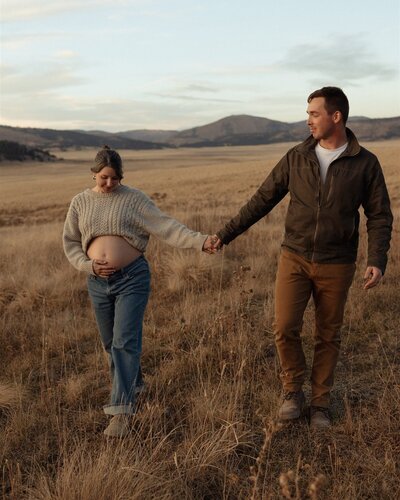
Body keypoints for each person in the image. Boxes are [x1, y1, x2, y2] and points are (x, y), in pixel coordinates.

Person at [210, 87, 393, 429]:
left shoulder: (365, 163)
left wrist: (377, 259)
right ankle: (293, 391)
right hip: (294, 256)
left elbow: (380, 214)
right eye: (308, 113)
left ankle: (321, 403)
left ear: (335, 116)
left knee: (328, 334)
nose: (307, 120)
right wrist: (225, 234)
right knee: (284, 327)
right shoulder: (297, 156)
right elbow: (262, 199)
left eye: (314, 113)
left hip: (337, 261)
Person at [63, 145, 216, 437]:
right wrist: (87, 265)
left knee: (124, 342)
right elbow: (70, 242)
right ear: (94, 174)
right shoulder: (80, 202)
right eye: (103, 178)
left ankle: (121, 411)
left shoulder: (133, 200)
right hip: (97, 281)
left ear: (122, 176)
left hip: (132, 278)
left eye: (115, 179)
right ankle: (136, 384)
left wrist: (200, 241)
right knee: (110, 343)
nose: (109, 184)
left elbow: (167, 227)